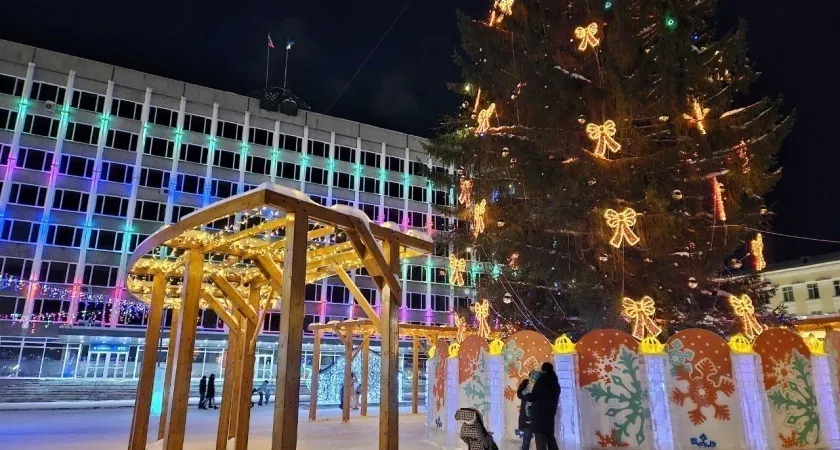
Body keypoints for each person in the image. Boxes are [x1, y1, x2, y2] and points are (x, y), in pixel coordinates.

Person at [522, 362, 560, 450]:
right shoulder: (555, 383)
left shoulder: (541, 382)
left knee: (540, 440)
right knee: (550, 438)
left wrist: (526, 396)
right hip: (550, 414)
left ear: (543, 370)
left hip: (539, 415)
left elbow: (533, 397)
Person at [517, 369, 541, 449]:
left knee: (540, 442)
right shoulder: (525, 383)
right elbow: (519, 394)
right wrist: (527, 393)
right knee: (526, 439)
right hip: (527, 417)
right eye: (533, 376)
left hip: (538, 417)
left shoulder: (541, 385)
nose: (534, 378)